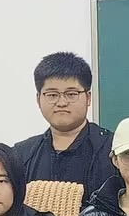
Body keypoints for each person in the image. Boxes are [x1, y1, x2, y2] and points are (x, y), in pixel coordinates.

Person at [12, 51, 116, 196]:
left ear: (88, 98)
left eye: (71, 94)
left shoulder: (114, 150)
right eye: (52, 95)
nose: (61, 103)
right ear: (38, 99)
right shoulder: (21, 155)